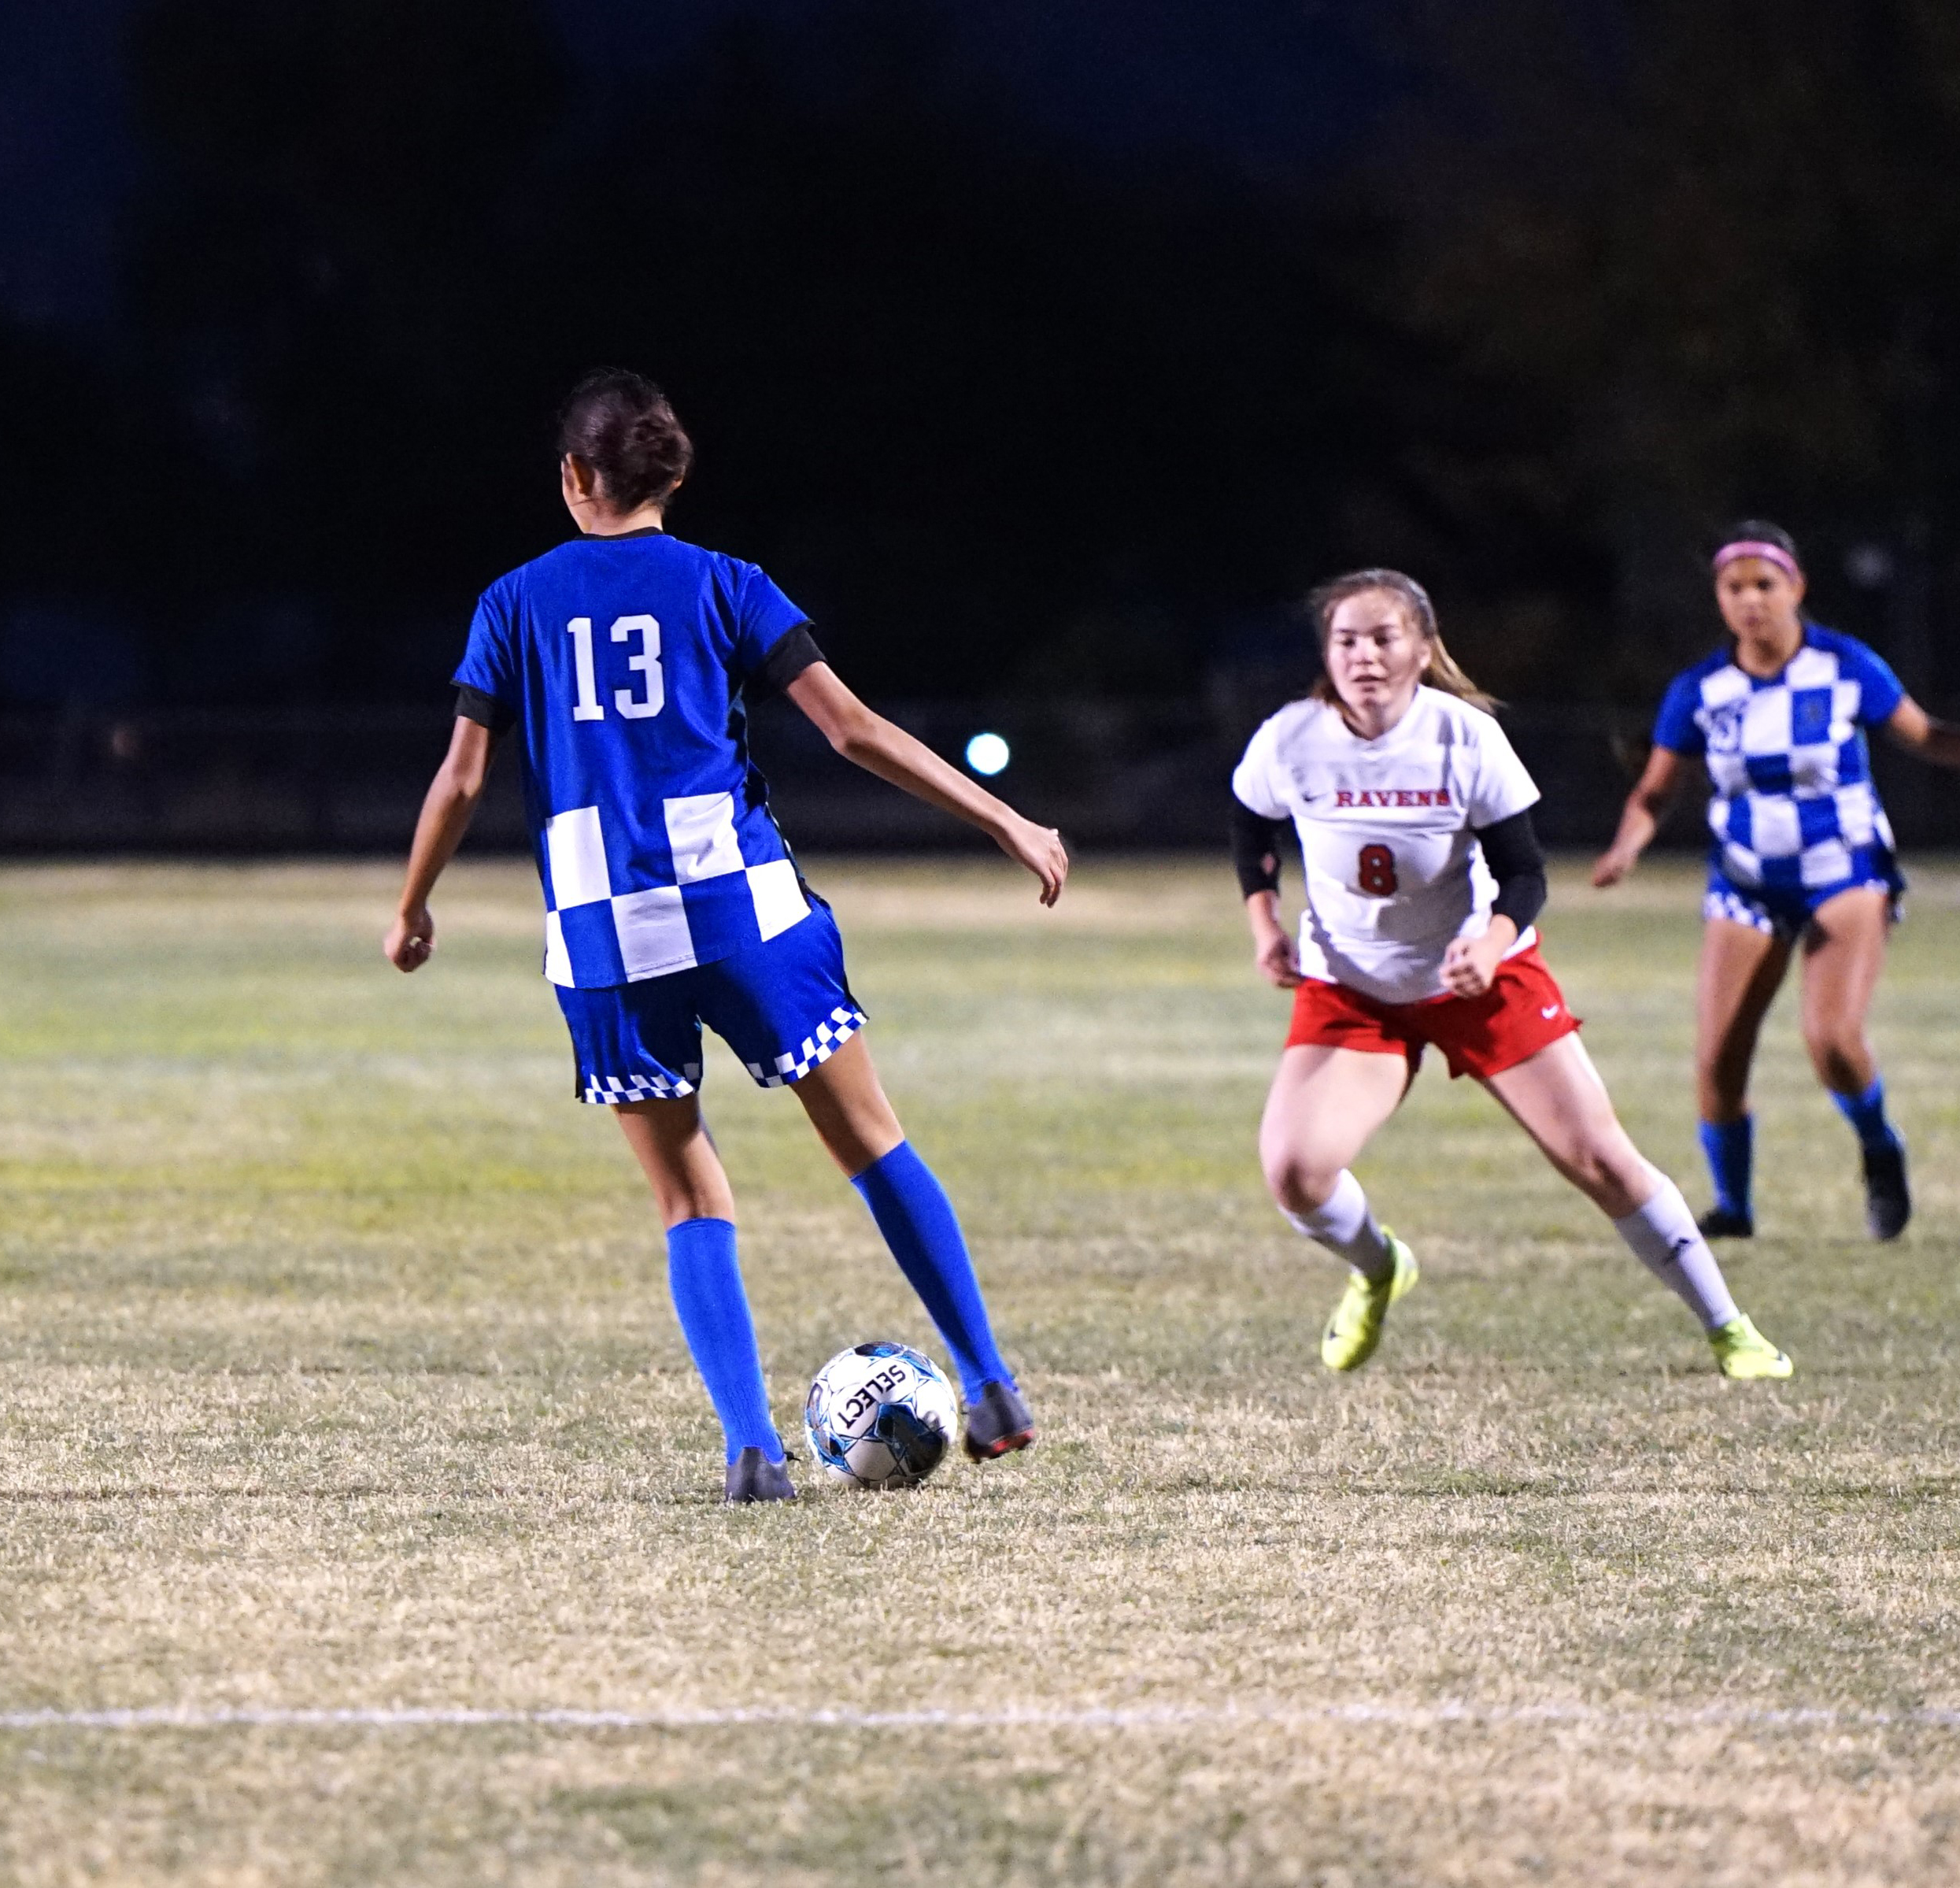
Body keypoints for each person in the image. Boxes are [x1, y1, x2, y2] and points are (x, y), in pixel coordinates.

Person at [383, 369, 1069, 1502]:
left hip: (608, 934)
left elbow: (461, 779)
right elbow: (849, 731)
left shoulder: (514, 600)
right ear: (676, 477)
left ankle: (753, 1450)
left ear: (573, 478)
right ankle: (990, 1384)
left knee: (691, 1197)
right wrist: (1001, 814)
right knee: (870, 1140)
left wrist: (414, 904)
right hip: (744, 909)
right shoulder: (728, 583)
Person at [1231, 569, 1794, 1380]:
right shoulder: (1292, 737)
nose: (1363, 655)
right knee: (1295, 1171)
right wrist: (1264, 922)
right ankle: (1381, 1267)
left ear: (1423, 650)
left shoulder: (1463, 736)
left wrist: (1493, 942)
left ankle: (1731, 1328)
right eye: (1345, 639)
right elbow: (1249, 818)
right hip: (1353, 990)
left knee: (1599, 1158)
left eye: (1383, 637)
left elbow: (1524, 873)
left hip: (1481, 979)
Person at [1590, 521, 1960, 1241]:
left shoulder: (1844, 666)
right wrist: (1627, 847)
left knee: (1833, 1041)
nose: (1750, 601)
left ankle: (1879, 1149)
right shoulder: (1700, 691)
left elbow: (1928, 737)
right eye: (1733, 588)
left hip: (1842, 870)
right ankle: (1734, 1210)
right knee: (1717, 1059)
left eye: (1764, 585)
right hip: (1745, 880)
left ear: (1796, 588)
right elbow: (1655, 791)